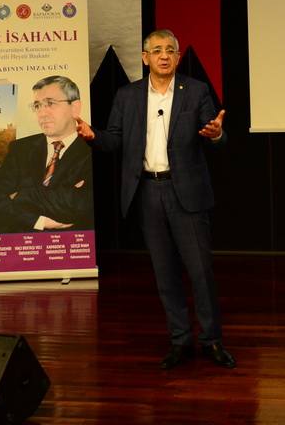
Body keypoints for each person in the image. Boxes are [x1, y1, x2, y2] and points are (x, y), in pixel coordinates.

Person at [75, 30, 234, 370]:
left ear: (177, 57)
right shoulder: (128, 95)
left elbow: (216, 138)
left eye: (170, 50)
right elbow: (113, 140)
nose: (164, 55)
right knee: (165, 273)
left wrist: (217, 133)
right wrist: (92, 136)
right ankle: (180, 341)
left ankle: (212, 340)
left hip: (186, 192)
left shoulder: (196, 90)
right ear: (145, 57)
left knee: (200, 271)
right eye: (157, 50)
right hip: (147, 192)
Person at [0, 75, 93, 233]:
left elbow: (84, 205)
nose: (42, 113)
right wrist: (40, 221)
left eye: (50, 103)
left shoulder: (96, 147)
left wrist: (24, 195)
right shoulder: (21, 148)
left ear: (75, 108)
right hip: (10, 240)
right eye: (37, 106)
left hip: (65, 243)